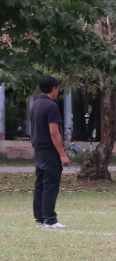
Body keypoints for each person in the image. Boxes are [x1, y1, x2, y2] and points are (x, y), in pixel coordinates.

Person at [28, 75, 70, 228]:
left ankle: (40, 219)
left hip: (38, 151)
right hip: (50, 152)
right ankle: (50, 220)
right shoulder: (51, 106)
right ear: (54, 88)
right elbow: (54, 132)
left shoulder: (35, 105)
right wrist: (62, 155)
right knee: (50, 185)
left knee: (40, 185)